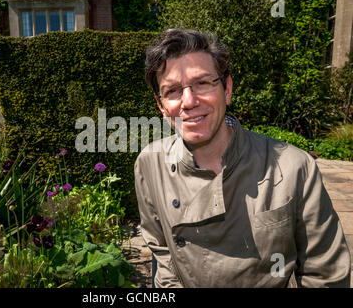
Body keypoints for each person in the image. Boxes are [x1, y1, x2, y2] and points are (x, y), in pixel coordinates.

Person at [134, 28, 351, 288]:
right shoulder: (150, 164)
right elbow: (162, 253)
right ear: (161, 105)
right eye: (172, 91)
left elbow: (325, 276)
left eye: (202, 83)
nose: (188, 101)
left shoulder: (294, 168)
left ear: (227, 89)